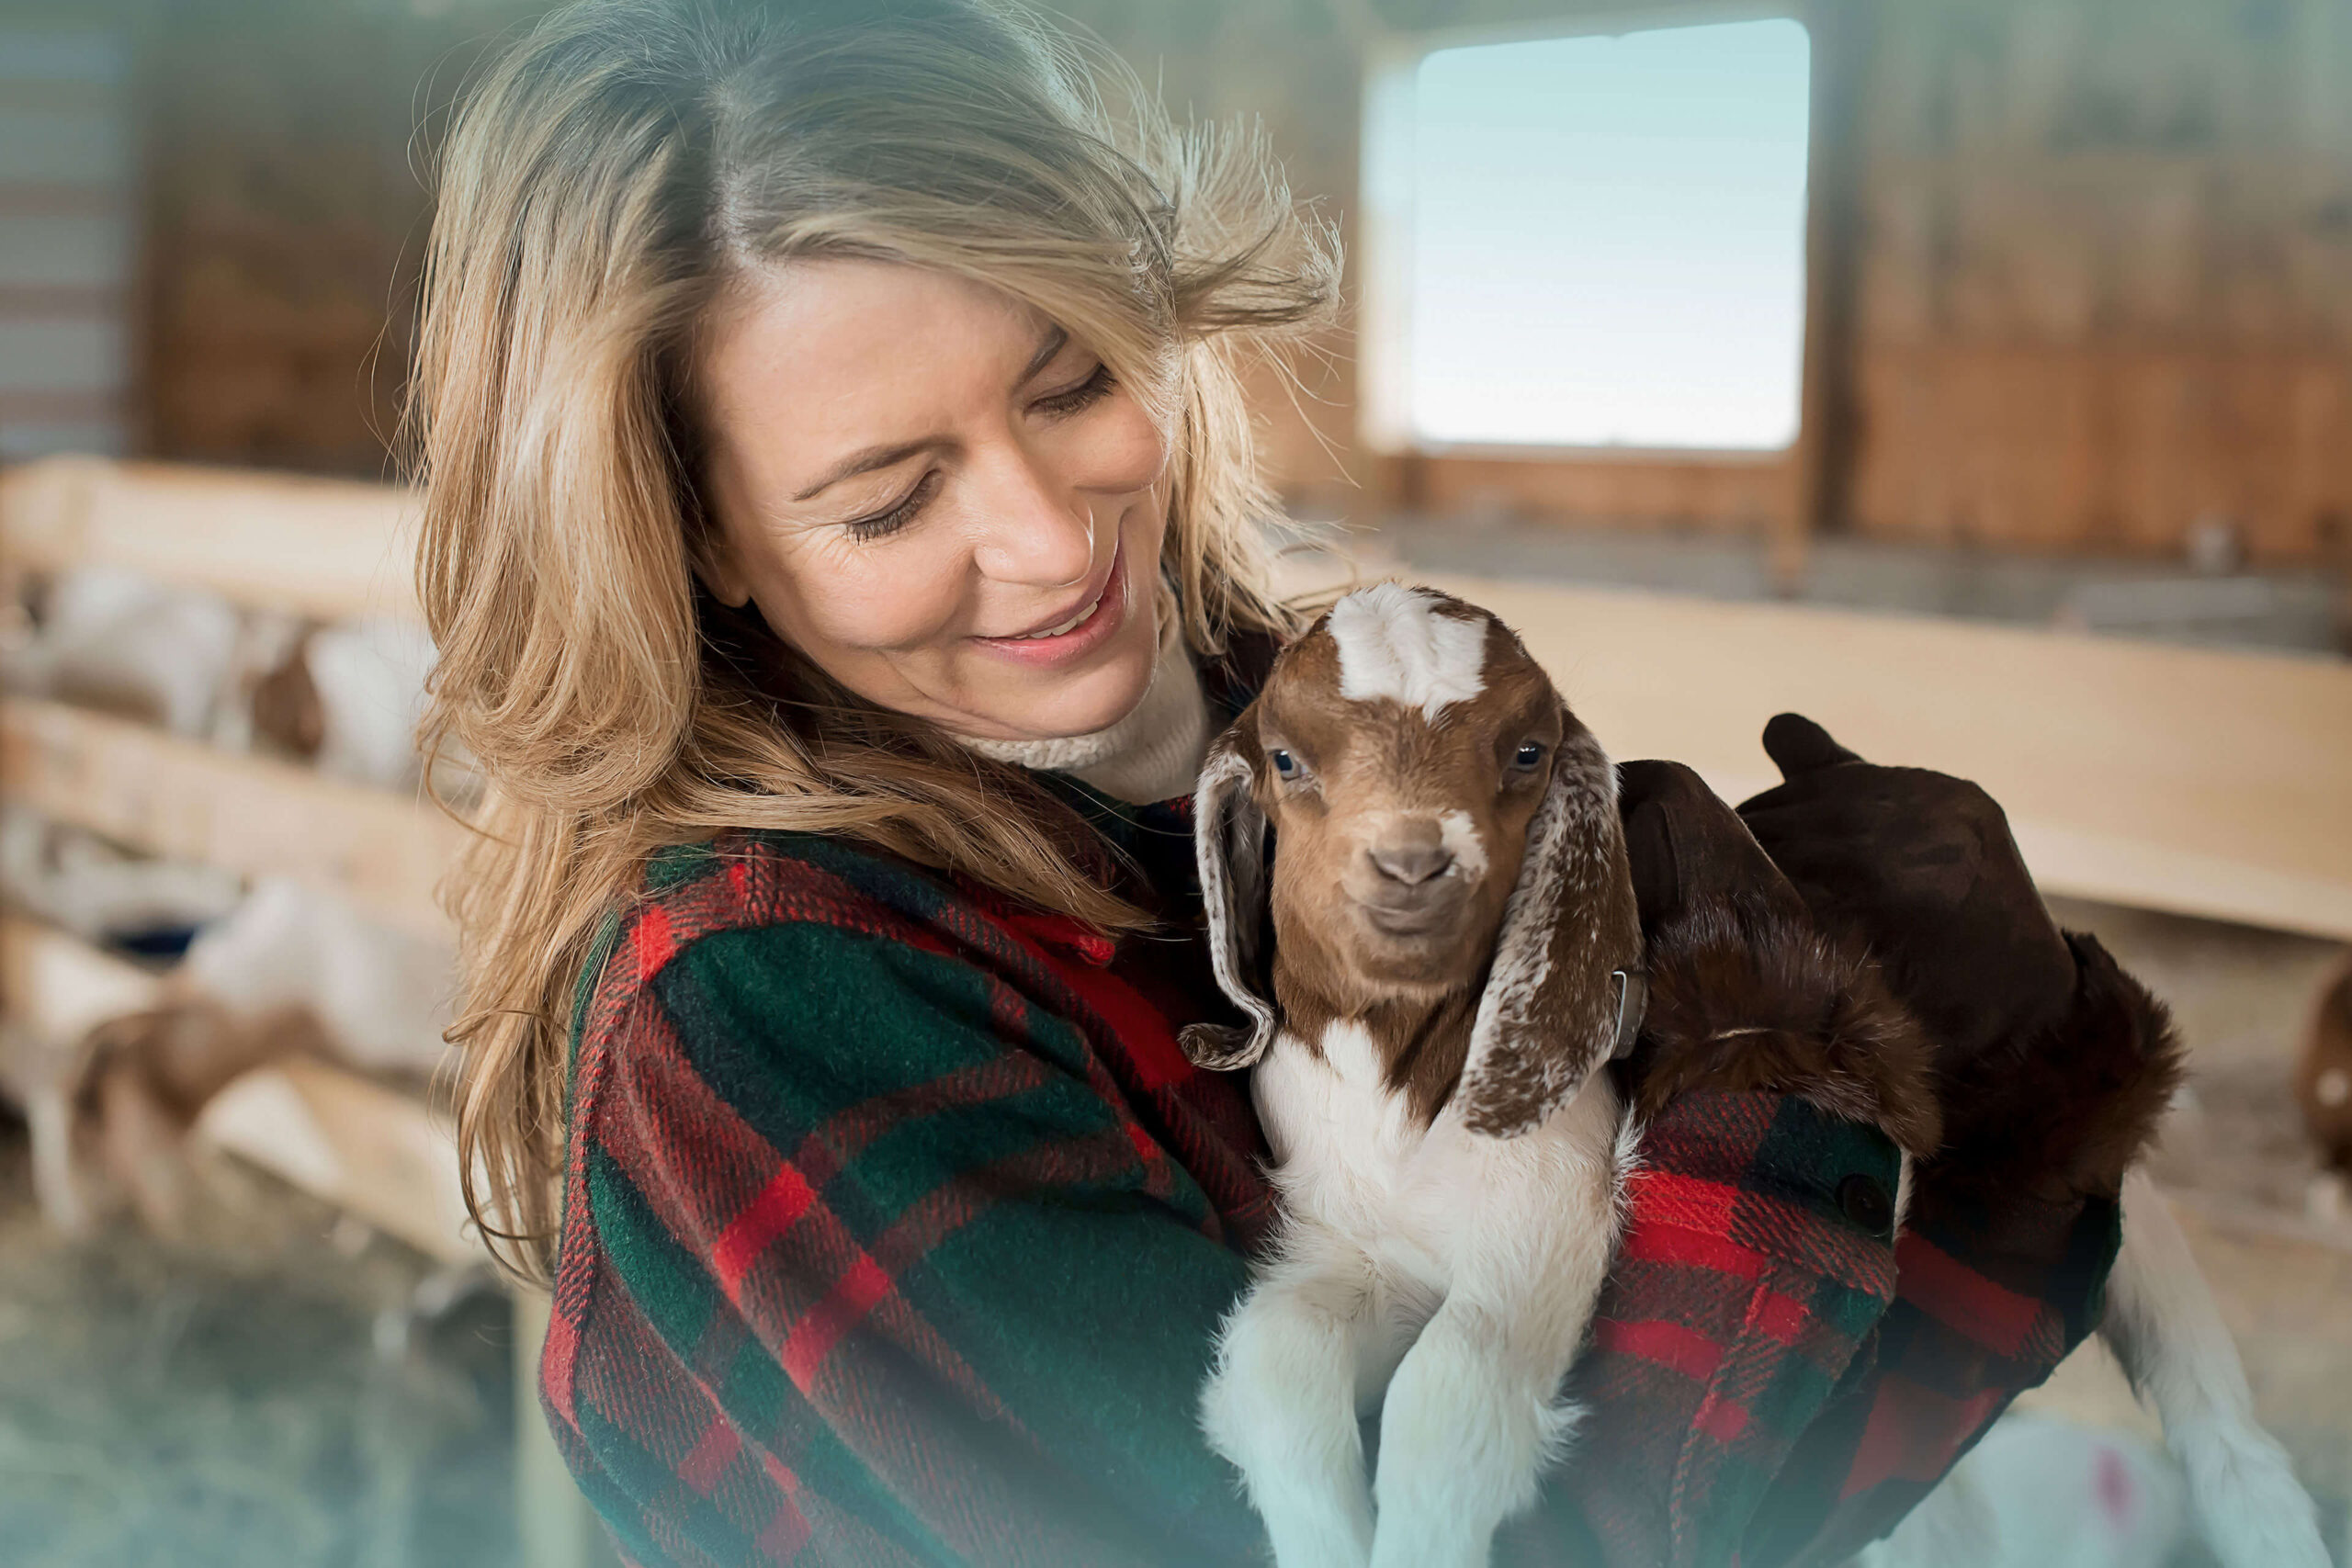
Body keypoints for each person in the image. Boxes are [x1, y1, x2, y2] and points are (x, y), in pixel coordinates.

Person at [408, 2, 2174, 1562]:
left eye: (1074, 377)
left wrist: (2010, 1095)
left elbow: (1755, 1469)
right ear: (696, 528)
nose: (1045, 541)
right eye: (889, 501)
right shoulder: (771, 1004)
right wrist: (1786, 1068)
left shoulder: (1334, 722)